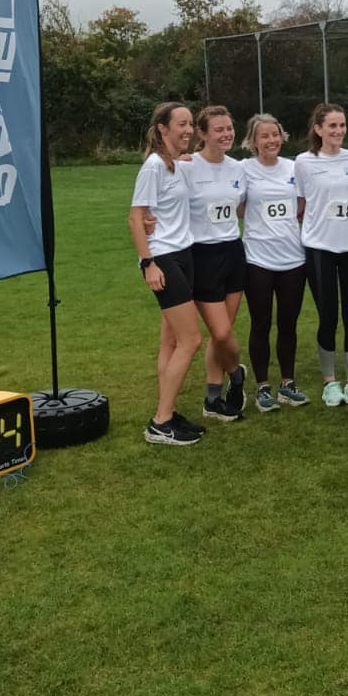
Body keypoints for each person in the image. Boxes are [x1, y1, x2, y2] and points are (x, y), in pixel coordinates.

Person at [127, 102, 204, 446]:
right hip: (163, 260)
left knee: (171, 341)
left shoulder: (178, 164)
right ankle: (160, 422)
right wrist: (148, 263)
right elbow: (135, 217)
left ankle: (168, 413)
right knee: (191, 340)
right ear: (163, 128)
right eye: (181, 124)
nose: (188, 130)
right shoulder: (154, 166)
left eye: (191, 124)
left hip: (184, 255)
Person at [295, 103, 348, 406]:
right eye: (332, 126)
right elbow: (299, 205)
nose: (339, 131)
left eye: (342, 125)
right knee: (328, 316)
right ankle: (330, 382)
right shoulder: (303, 162)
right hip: (320, 248)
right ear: (318, 129)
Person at [181, 106, 248, 423]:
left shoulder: (238, 169)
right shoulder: (187, 166)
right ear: (203, 133)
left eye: (229, 128)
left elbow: (243, 208)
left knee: (224, 332)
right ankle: (236, 373)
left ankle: (212, 398)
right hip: (201, 255)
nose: (226, 134)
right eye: (219, 129)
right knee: (219, 333)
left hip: (233, 252)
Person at [239, 113, 308, 411]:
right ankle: (263, 387)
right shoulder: (244, 169)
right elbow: (237, 206)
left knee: (288, 324)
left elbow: (303, 204)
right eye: (264, 136)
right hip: (258, 260)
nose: (271, 140)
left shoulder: (294, 167)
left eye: (275, 134)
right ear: (253, 141)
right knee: (261, 323)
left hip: (294, 258)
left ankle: (288, 384)